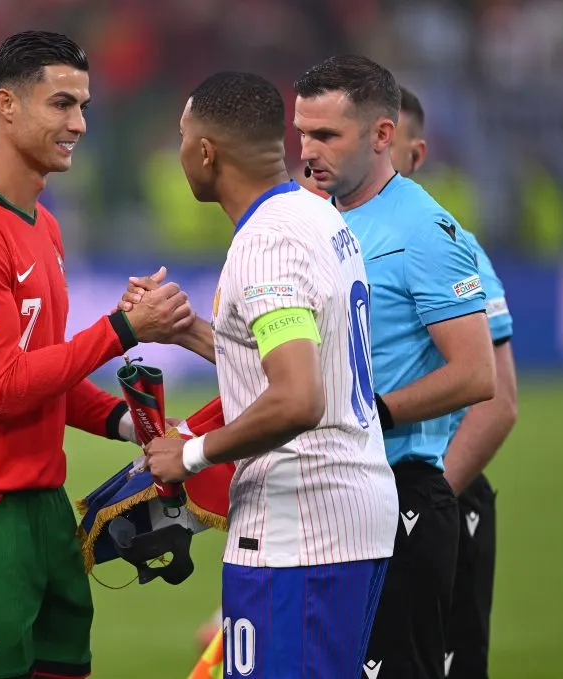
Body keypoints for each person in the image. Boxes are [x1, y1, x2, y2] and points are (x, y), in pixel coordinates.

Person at [0, 31, 192, 679]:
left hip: (46, 509)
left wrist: (133, 425)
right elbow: (4, 386)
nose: (79, 124)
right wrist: (122, 326)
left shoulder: (43, 225)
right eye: (62, 104)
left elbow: (48, 377)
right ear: (6, 105)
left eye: (84, 106)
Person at [133, 70, 400, 679]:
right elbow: (301, 361)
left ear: (205, 152)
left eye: (181, 138)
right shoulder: (317, 217)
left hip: (300, 533)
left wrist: (191, 453)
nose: (177, 154)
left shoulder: (266, 245)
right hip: (347, 516)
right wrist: (190, 331)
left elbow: (298, 398)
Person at [293, 55, 496, 679]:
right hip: (322, 491)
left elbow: (476, 375)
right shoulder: (306, 217)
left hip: (399, 493)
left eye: (326, 135)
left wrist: (370, 412)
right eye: (301, 132)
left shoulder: (425, 231)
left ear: (383, 136)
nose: (307, 149)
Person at [392, 86, 519, 679]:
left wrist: (425, 505)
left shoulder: (448, 247)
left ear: (413, 155)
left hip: (432, 496)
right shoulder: (327, 245)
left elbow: (497, 401)